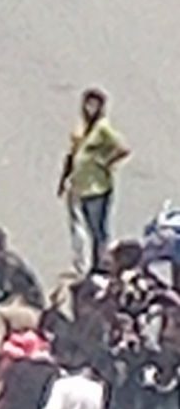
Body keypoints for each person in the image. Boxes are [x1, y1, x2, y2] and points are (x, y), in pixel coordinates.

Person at [59, 87, 129, 274]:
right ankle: (83, 263)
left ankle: (102, 265)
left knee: (98, 230)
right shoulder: (83, 127)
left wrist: (104, 162)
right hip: (79, 185)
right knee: (80, 227)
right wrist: (64, 178)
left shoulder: (103, 128)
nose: (90, 108)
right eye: (87, 104)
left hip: (97, 187)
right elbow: (72, 154)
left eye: (94, 104)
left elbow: (122, 148)